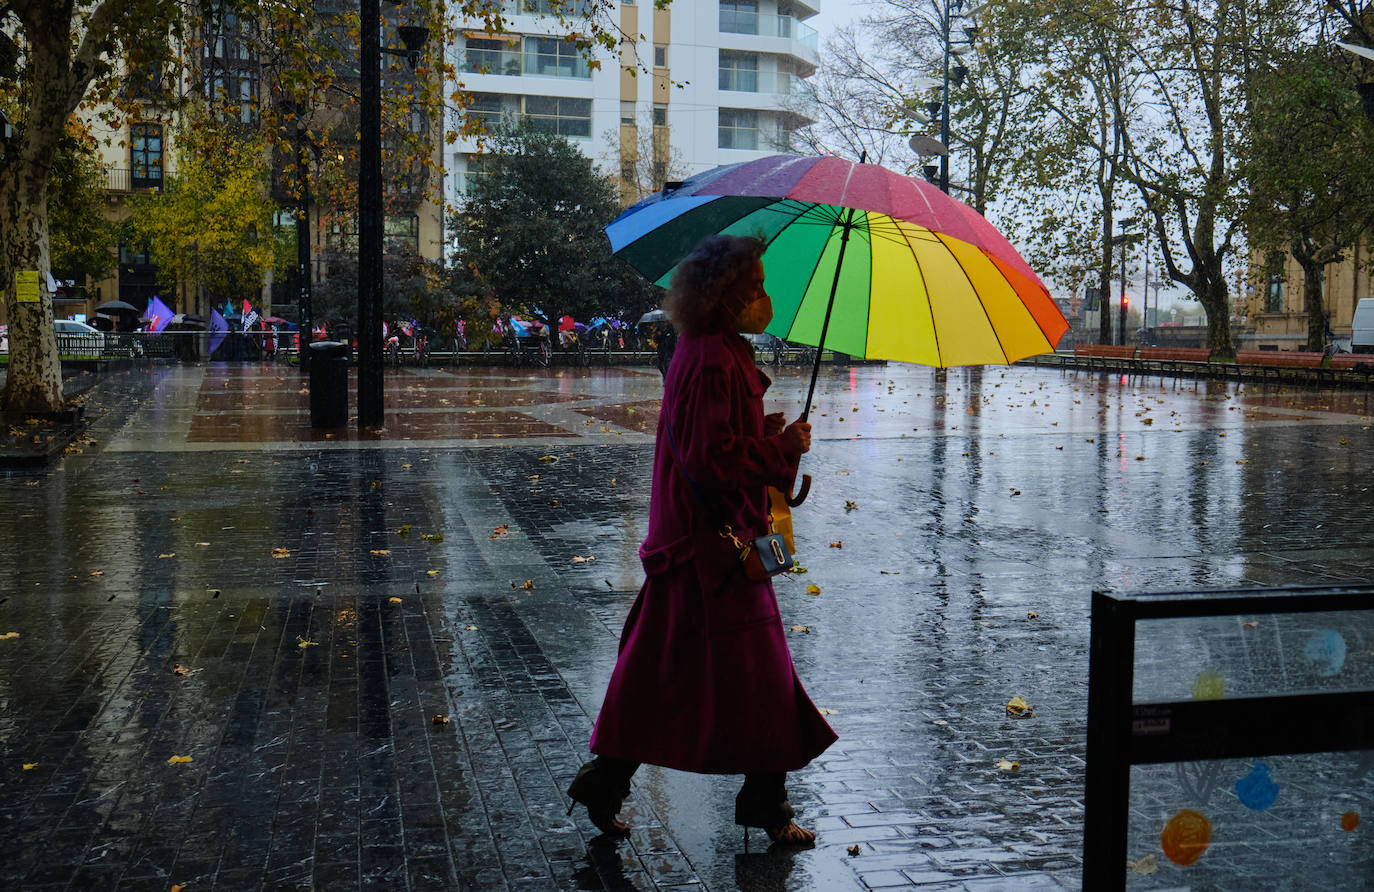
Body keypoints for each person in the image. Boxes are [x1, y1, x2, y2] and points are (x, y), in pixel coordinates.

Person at [568, 234, 835, 846]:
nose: (764, 297)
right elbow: (711, 460)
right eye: (756, 285)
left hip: (695, 543)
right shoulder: (714, 356)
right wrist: (781, 448)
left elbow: (713, 440)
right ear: (725, 292)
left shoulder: (711, 347)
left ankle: (605, 782)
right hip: (711, 549)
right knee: (760, 674)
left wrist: (766, 431)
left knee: (657, 672)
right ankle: (767, 804)